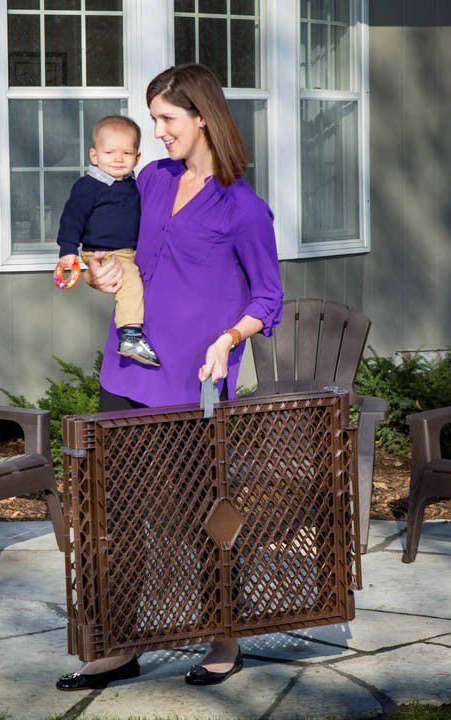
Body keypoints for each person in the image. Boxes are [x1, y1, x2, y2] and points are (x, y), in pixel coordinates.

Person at [56, 63, 284, 691]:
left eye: (166, 119)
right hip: (126, 370)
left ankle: (224, 635)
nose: (155, 132)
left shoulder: (241, 206)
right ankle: (118, 643)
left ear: (202, 117)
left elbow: (268, 299)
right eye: (153, 118)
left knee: (201, 515)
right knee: (116, 512)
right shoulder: (150, 181)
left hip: (194, 383)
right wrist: (99, 272)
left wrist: (228, 339)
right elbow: (118, 254)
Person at [57, 115, 160, 367]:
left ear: (137, 157)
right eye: (110, 152)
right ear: (94, 156)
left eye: (127, 153)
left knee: (142, 283)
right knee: (130, 283)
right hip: (103, 252)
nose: (118, 158)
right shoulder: (88, 186)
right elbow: (72, 218)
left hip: (130, 251)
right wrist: (68, 249)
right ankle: (130, 335)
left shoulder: (134, 186)